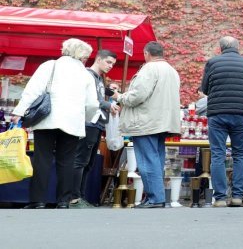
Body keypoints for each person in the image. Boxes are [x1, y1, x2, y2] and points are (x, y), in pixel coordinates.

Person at [11, 38, 99, 209]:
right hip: (72, 122)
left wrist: (19, 111)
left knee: (42, 159)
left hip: (47, 119)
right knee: (67, 160)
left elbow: (33, 90)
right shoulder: (85, 74)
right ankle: (63, 201)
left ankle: (38, 200)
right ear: (82, 56)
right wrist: (87, 118)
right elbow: (93, 104)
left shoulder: (49, 65)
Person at [114, 41, 181, 208]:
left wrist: (120, 97)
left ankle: (155, 198)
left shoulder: (149, 69)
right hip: (162, 122)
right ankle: (156, 196)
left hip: (146, 122)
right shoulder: (172, 71)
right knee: (156, 160)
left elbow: (137, 96)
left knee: (147, 161)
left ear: (146, 53)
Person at [200, 36, 243, 207]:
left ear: (221, 47)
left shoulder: (212, 63)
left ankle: (220, 198)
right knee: (240, 154)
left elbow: (205, 88)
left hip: (218, 113)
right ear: (238, 47)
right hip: (241, 113)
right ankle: (238, 196)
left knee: (218, 154)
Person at [71, 49, 119, 208]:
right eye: (108, 62)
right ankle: (74, 198)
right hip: (88, 123)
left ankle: (80, 197)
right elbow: (91, 99)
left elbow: (99, 95)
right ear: (98, 59)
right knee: (81, 161)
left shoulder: (97, 78)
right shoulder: (88, 75)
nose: (111, 66)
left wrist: (110, 91)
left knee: (88, 163)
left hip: (96, 124)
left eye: (113, 63)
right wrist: (108, 104)